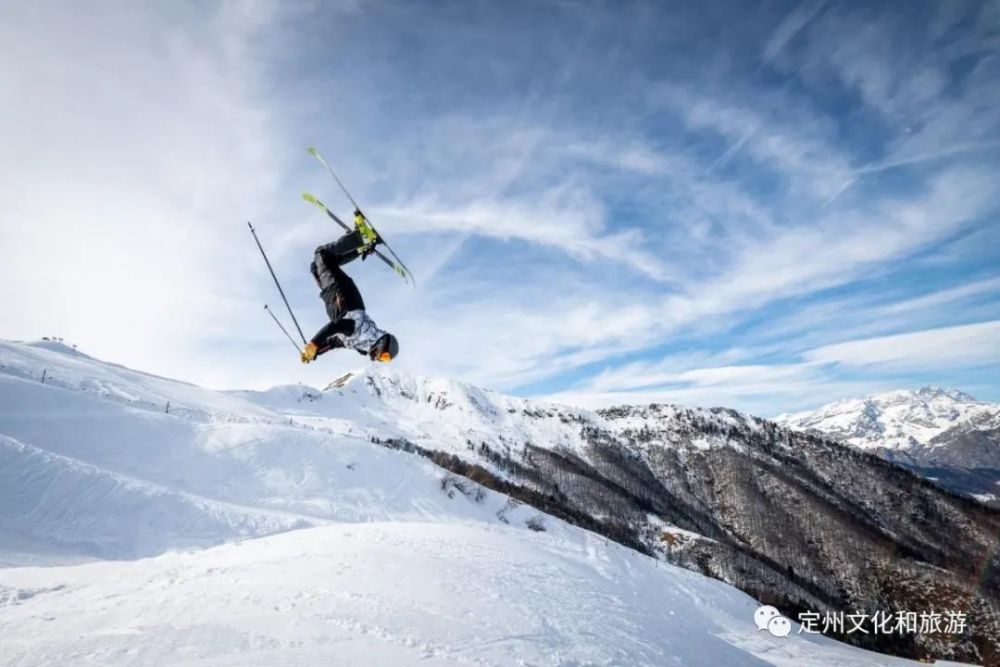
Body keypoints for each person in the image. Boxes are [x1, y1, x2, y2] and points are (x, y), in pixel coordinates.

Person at [300, 214, 399, 364]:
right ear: (382, 344)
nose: (379, 359)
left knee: (317, 267)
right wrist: (313, 343)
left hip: (333, 297)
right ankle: (360, 237)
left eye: (384, 360)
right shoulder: (361, 331)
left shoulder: (361, 344)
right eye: (384, 356)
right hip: (340, 293)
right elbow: (335, 326)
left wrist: (315, 353)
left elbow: (334, 343)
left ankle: (359, 247)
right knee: (322, 254)